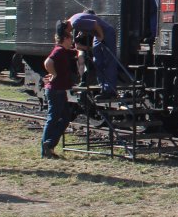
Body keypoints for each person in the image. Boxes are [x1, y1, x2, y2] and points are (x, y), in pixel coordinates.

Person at [40, 22, 83, 158]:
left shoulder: (63, 51)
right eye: (70, 38)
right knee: (53, 119)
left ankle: (49, 145)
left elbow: (77, 50)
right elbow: (48, 62)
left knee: (65, 118)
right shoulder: (59, 51)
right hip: (55, 90)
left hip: (59, 90)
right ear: (65, 39)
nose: (72, 41)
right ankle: (46, 149)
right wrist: (54, 74)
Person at [67, 10, 119, 99]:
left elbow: (94, 23)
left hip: (105, 32)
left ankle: (110, 91)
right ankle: (103, 87)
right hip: (96, 33)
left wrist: (101, 36)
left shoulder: (75, 22)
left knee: (109, 61)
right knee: (97, 60)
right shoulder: (73, 20)